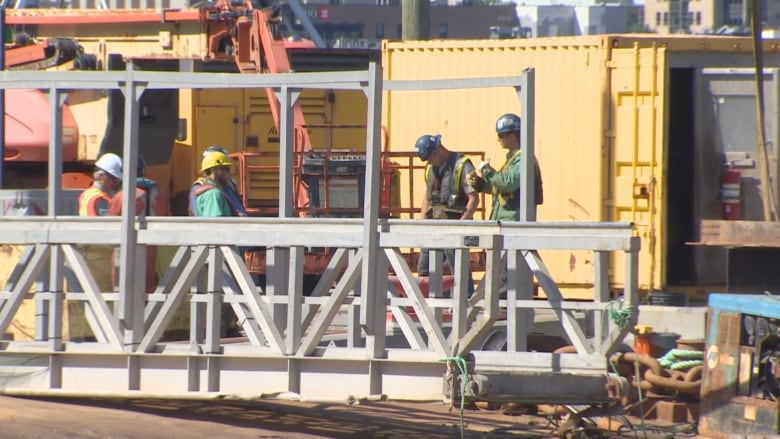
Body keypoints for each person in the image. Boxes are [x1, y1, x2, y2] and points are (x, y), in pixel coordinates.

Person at [414, 134, 478, 296]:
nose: (429, 162)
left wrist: (462, 225)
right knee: (424, 268)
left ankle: (466, 302)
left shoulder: (463, 166)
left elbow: (473, 198)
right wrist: (423, 221)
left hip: (455, 227)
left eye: (429, 158)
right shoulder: (430, 168)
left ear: (438, 150)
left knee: (457, 267)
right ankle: (427, 304)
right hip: (433, 227)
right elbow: (427, 197)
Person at [72, 152, 123, 340]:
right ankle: (103, 337)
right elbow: (105, 228)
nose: (116, 184)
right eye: (115, 180)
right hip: (98, 255)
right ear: (104, 176)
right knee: (104, 300)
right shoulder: (100, 199)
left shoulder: (88, 194)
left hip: (90, 253)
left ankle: (97, 335)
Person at [108, 155, 171, 293]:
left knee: (122, 291)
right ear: (143, 170)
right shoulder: (161, 193)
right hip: (152, 250)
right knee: (148, 290)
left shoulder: (121, 196)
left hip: (124, 250)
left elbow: (109, 226)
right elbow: (167, 217)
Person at [467, 113, 543, 221]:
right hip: (505, 222)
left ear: (512, 137)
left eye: (501, 135)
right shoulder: (514, 159)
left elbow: (509, 183)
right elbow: (503, 189)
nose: (498, 139)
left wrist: (488, 171)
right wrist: (482, 185)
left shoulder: (525, 159)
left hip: (514, 223)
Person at [189, 146, 247, 217]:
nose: (230, 173)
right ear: (216, 170)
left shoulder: (227, 186)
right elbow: (214, 225)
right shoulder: (212, 195)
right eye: (227, 169)